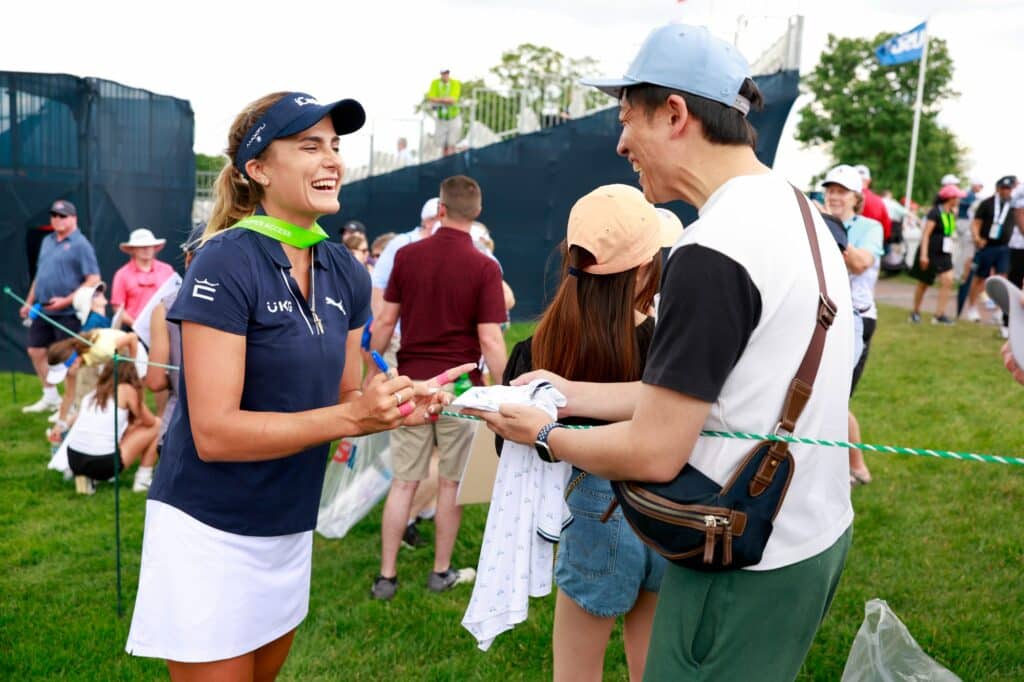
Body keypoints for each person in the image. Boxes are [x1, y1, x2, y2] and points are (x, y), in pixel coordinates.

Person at [473, 24, 854, 681]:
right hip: (806, 534)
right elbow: (704, 395)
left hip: (738, 553)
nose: (620, 142)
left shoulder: (713, 248)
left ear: (675, 113)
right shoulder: (795, 208)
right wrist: (568, 389)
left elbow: (654, 447)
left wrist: (546, 434)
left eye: (627, 118)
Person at [124, 91, 464, 680]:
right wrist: (354, 419)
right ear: (257, 169)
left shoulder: (345, 269)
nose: (332, 158)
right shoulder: (224, 262)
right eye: (310, 146)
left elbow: (342, 396)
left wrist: (394, 406)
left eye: (335, 145)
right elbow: (214, 433)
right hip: (209, 526)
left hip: (288, 522)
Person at [500, 184, 677, 681]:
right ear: (646, 266)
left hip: (594, 515)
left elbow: (509, 444)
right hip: (671, 511)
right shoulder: (671, 346)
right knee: (652, 666)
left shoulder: (540, 348)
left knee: (575, 672)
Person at [368, 175, 509, 601]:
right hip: (461, 389)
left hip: (411, 384)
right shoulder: (485, 266)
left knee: (403, 483)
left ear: (441, 210)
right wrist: (506, 391)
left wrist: (368, 371)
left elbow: (385, 324)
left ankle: (386, 578)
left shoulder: (407, 257)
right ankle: (440, 572)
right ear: (478, 213)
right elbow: (490, 339)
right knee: (450, 485)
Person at [823, 165, 884, 486]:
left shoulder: (870, 227)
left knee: (835, 398)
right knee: (818, 393)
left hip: (857, 319)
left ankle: (857, 467)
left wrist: (830, 230)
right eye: (830, 189)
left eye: (841, 191)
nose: (834, 196)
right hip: (824, 314)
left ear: (856, 197)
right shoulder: (819, 222)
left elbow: (861, 263)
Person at [19, 199, 101, 414]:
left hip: (69, 313)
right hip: (44, 310)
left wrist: (65, 301)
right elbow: (40, 276)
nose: (57, 219)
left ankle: (70, 404)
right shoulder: (47, 241)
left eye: (62, 215)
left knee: (68, 361)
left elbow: (93, 279)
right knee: (35, 351)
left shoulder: (81, 244)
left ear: (73, 218)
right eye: (54, 215)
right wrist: (29, 302)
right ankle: (50, 396)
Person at [143, 224, 205, 452]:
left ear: (189, 258)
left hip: (179, 427)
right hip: (238, 431)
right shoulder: (248, 303)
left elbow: (156, 380)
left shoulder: (165, 308)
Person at [64, 360, 161, 495]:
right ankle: (142, 479)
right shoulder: (126, 389)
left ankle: (88, 480)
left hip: (74, 459)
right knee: (158, 425)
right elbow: (150, 422)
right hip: (103, 462)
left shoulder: (94, 392)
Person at [909, 184, 966, 324]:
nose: (958, 200)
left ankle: (939, 314)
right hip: (930, 252)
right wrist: (923, 255)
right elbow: (926, 235)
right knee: (924, 283)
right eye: (957, 197)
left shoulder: (951, 213)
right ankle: (915, 312)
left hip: (944, 253)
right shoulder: (935, 212)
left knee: (948, 280)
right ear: (950, 198)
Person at [110, 228, 175, 329]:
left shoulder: (167, 270)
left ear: (154, 247)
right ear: (133, 249)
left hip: (164, 327)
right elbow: (118, 307)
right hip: (133, 330)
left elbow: (174, 298)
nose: (146, 249)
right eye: (141, 246)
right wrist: (136, 325)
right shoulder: (122, 274)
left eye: (149, 246)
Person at [426, 69, 462, 156]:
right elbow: (431, 98)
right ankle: (445, 163)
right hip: (441, 118)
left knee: (452, 143)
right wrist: (445, 100)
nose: (445, 75)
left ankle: (452, 162)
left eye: (446, 73)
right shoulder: (435, 83)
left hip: (453, 117)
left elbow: (453, 100)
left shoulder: (455, 83)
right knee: (443, 145)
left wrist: (439, 100)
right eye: (443, 73)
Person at [853, 165, 892, 242]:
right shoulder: (879, 201)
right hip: (873, 245)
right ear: (869, 181)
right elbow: (887, 230)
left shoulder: (844, 199)